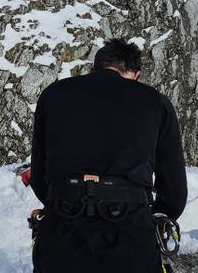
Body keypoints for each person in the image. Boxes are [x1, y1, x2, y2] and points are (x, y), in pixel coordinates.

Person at [29, 38, 188, 272]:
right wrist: (150, 217)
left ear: (92, 69)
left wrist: (60, 204)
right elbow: (174, 191)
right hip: (129, 230)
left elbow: (39, 176)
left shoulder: (53, 95)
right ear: (136, 75)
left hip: (63, 225)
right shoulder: (155, 101)